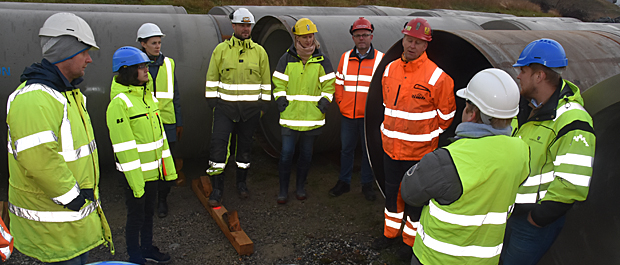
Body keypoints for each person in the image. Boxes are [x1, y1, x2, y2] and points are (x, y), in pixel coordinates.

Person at [6, 12, 113, 264]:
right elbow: (39, 160)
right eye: (84, 51)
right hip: (53, 229)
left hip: (69, 225)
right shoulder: (35, 98)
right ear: (65, 52)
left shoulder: (67, 94)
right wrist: (73, 197)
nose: (89, 59)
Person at [401, 68, 530, 265]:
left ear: (472, 113)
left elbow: (409, 193)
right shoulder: (521, 150)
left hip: (436, 259)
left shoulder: (448, 159)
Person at [500, 39, 595, 265]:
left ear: (539, 75)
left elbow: (572, 183)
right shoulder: (525, 108)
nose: (518, 76)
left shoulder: (573, 121)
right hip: (507, 211)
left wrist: (537, 219)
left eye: (523, 70)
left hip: (532, 221)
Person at [372, 18, 456, 261]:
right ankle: (389, 235)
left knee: (415, 201)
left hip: (419, 154)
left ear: (426, 45)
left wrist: (423, 136)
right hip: (391, 149)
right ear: (403, 39)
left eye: (418, 43)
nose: (412, 46)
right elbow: (387, 105)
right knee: (392, 195)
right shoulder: (390, 69)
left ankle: (409, 243)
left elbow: (446, 117)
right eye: (409, 40)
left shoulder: (438, 78)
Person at [106, 46, 177, 264]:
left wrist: (167, 170)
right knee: (135, 218)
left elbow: (160, 139)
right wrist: (137, 186)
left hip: (152, 174)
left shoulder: (147, 98)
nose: (147, 70)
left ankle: (147, 249)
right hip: (135, 178)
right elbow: (125, 150)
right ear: (126, 70)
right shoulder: (119, 105)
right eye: (141, 66)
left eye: (146, 65)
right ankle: (135, 257)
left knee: (148, 216)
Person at [204, 8, 271, 206]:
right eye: (241, 25)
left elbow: (266, 83)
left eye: (248, 25)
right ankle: (217, 188)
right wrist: (214, 104)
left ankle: (242, 183)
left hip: (250, 112)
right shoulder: (221, 50)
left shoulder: (260, 52)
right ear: (233, 26)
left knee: (244, 149)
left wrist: (262, 107)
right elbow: (211, 79)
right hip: (225, 109)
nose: (245, 29)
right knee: (218, 147)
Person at [272, 18, 336, 204]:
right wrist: (281, 101)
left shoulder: (322, 60)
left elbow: (329, 86)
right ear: (296, 38)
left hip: (312, 118)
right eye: (304, 37)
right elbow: (278, 83)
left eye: (310, 36)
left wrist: (323, 104)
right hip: (290, 117)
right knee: (286, 154)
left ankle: (300, 187)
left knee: (306, 155)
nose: (308, 41)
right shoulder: (286, 58)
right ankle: (283, 190)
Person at [329, 17, 383, 201]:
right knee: (346, 149)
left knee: (369, 152)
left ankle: (367, 185)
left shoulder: (380, 59)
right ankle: (344, 182)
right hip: (348, 115)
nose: (361, 38)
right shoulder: (345, 58)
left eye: (365, 35)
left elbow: (385, 88)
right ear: (353, 37)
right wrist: (342, 104)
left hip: (369, 118)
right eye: (358, 35)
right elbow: (338, 84)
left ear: (371, 36)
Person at [136, 22, 183, 218]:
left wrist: (178, 122)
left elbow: (176, 95)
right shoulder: (136, 67)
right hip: (145, 124)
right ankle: (147, 199)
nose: (157, 46)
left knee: (166, 164)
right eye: (153, 43)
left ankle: (162, 199)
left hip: (167, 122)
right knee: (147, 165)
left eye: (159, 42)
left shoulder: (169, 64)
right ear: (143, 44)